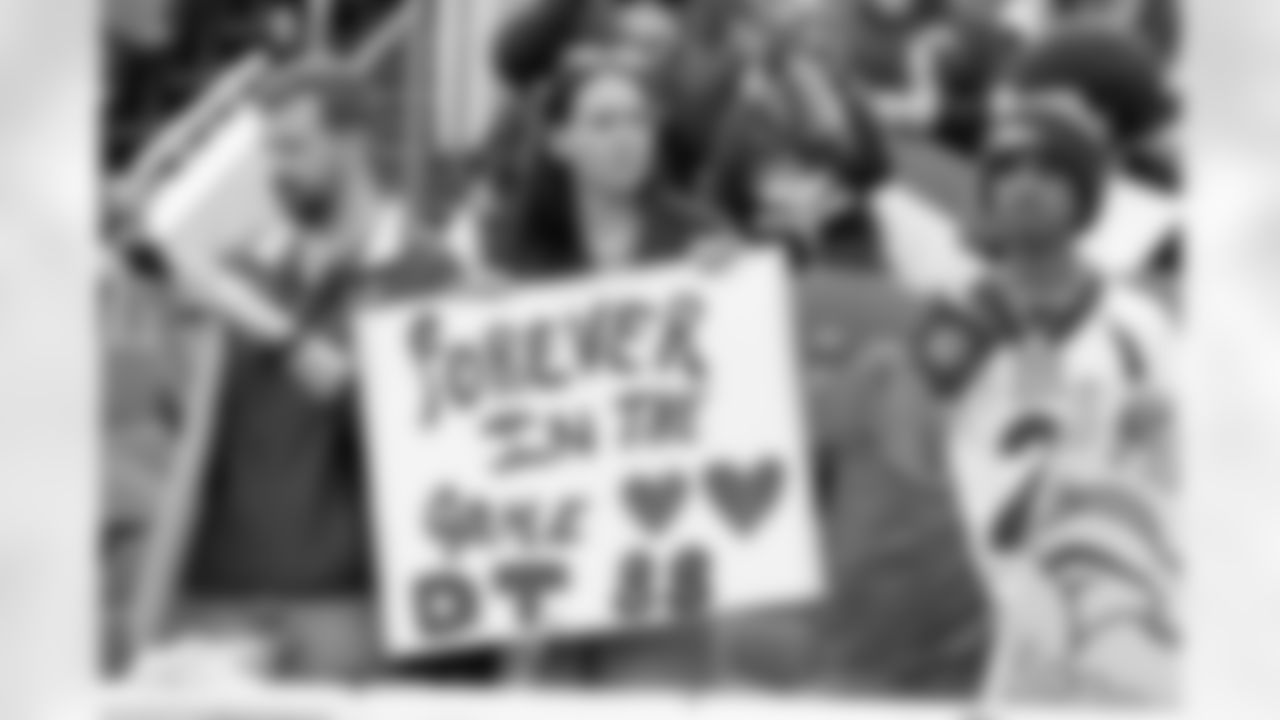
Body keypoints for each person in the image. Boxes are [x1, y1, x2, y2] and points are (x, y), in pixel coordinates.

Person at [168, 60, 453, 682]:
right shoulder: (236, 268)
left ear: (353, 143)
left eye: (293, 146)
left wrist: (282, 335)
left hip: (348, 607)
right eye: (268, 149)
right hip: (212, 606)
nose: (275, 169)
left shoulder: (429, 270)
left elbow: (427, 437)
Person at [908, 97, 1177, 704]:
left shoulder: (1137, 325)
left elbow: (1172, 473)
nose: (1024, 186)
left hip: (1104, 623)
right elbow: (910, 461)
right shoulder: (946, 316)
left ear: (1086, 195)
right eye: (1006, 168)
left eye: (1049, 170)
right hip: (975, 622)